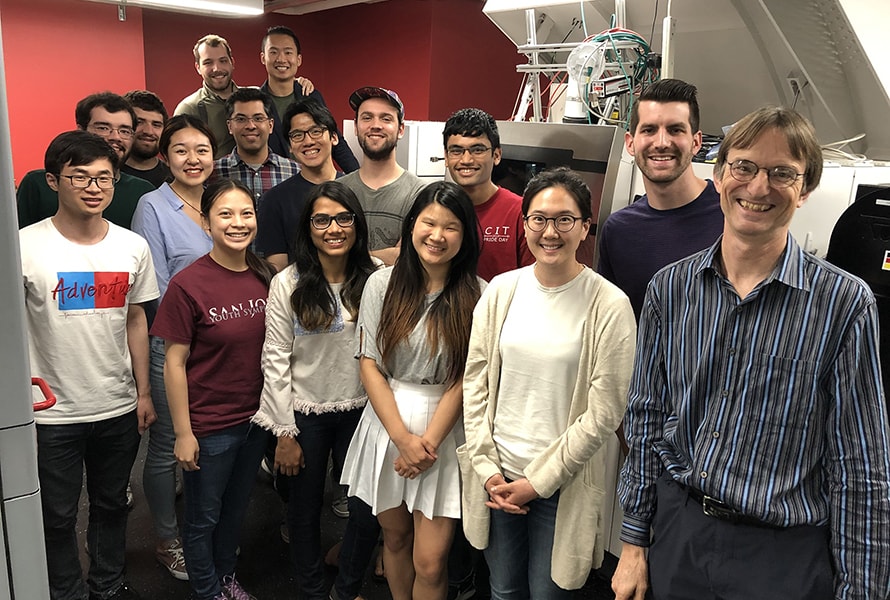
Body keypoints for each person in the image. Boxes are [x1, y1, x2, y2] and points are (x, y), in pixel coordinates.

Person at [612, 106, 890, 600]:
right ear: (719, 176)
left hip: (782, 556)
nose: (758, 187)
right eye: (743, 166)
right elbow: (646, 420)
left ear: (804, 191)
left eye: (782, 173)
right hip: (681, 534)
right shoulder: (670, 290)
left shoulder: (844, 304)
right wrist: (634, 541)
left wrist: (861, 590)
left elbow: (861, 467)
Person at [460, 167, 635, 599]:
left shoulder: (609, 304)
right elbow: (475, 382)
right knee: (501, 589)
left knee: (549, 592)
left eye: (564, 220)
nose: (549, 232)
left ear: (584, 227)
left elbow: (605, 412)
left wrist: (538, 483)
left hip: (562, 483)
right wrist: (486, 468)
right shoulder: (501, 290)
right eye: (538, 219)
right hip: (498, 477)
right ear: (525, 224)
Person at [21, 129, 159, 600]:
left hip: (116, 404)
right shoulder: (23, 247)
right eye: (80, 176)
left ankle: (108, 584)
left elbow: (136, 319)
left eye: (104, 177)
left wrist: (143, 393)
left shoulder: (131, 247)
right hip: (50, 411)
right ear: (53, 181)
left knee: (111, 505)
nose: (94, 187)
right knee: (56, 513)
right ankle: (64, 591)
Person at [341, 181, 483, 600]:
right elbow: (369, 364)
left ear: (465, 235)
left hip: (443, 429)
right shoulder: (380, 285)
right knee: (396, 540)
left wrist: (427, 444)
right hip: (387, 424)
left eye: (451, 226)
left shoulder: (480, 294)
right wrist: (402, 439)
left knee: (431, 560)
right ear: (412, 226)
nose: (437, 235)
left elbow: (466, 378)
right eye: (429, 223)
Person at [252, 180, 380, 599]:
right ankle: (310, 589)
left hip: (364, 411)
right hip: (305, 412)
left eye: (343, 218)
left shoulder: (377, 278)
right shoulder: (288, 283)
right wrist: (284, 432)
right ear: (308, 227)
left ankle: (347, 589)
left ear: (357, 224)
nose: (334, 228)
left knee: (365, 510)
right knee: (303, 511)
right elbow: (274, 358)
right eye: (321, 219)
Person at [151, 178, 277, 600]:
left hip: (255, 420)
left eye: (246, 213)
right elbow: (174, 361)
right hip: (210, 426)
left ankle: (226, 578)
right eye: (225, 214)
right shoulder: (188, 284)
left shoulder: (265, 274)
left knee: (235, 511)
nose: (237, 223)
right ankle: (207, 591)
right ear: (206, 222)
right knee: (203, 516)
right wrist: (184, 433)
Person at [131, 114, 217, 581]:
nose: (192, 159)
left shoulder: (223, 202)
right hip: (175, 345)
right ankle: (167, 538)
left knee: (211, 439)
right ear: (165, 157)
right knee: (167, 444)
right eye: (181, 150)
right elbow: (155, 290)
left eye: (201, 149)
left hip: (222, 347)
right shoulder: (152, 206)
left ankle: (204, 533)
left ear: (214, 155)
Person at [596, 78, 723, 319]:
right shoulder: (618, 231)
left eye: (675, 130)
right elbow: (614, 322)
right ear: (630, 143)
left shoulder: (730, 215)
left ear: (696, 142)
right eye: (649, 130)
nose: (662, 143)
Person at [17, 92, 154, 229]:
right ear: (81, 130)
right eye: (103, 128)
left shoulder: (143, 191)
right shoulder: (38, 184)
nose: (116, 137)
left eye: (125, 131)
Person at [443, 107, 534, 281]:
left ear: (497, 155)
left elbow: (533, 283)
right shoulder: (436, 209)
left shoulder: (520, 213)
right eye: (456, 151)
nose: (466, 160)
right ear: (446, 157)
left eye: (477, 150)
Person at [340, 86, 427, 266]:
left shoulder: (420, 193)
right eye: (367, 117)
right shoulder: (339, 190)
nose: (375, 125)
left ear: (401, 129)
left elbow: (409, 257)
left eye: (386, 118)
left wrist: (348, 256)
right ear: (356, 127)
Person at [256, 99, 342, 271]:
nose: (308, 141)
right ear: (290, 146)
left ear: (333, 137)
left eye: (316, 131)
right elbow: (277, 268)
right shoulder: (274, 200)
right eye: (297, 135)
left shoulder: (354, 189)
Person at [259, 25, 358, 172]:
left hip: (315, 180)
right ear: (263, 58)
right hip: (276, 183)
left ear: (298, 59)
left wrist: (357, 176)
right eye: (273, 52)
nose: (281, 59)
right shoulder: (257, 103)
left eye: (288, 52)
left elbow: (335, 139)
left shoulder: (310, 95)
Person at [213, 86, 300, 209]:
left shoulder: (295, 172)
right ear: (230, 126)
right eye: (241, 119)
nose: (250, 125)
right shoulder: (213, 173)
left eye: (258, 118)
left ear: (270, 125)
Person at [122, 90, 172, 188]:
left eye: (156, 125)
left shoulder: (174, 177)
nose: (149, 131)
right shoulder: (107, 175)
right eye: (139, 122)